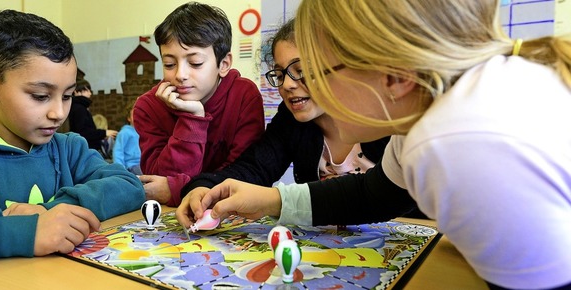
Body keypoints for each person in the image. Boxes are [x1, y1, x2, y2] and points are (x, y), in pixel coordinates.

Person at [182, 1, 571, 289]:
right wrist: (272, 201)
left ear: (393, 75)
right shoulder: (433, 115)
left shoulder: (451, 143)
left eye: (318, 72)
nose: (302, 87)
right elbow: (374, 193)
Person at [0, 9, 145, 267]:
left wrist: (51, 211)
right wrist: (22, 231)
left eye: (67, 96)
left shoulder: (69, 148)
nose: (58, 113)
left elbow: (128, 186)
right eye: (40, 96)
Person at [179, 19, 418, 222]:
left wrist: (273, 201)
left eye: (302, 70)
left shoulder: (408, 128)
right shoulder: (292, 120)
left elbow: (379, 197)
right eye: (280, 73)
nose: (287, 84)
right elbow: (253, 167)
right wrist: (204, 187)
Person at [133, 2, 265, 207]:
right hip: (170, 220)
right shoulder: (148, 107)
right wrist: (192, 119)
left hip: (231, 215)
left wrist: (178, 188)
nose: (180, 75)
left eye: (195, 63)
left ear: (224, 64)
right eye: (169, 64)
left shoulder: (244, 96)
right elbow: (159, 183)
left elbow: (245, 176)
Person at [68, 79, 118, 157]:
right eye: (86, 90)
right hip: (85, 152)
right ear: (76, 92)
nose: (90, 93)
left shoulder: (79, 107)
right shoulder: (79, 109)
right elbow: (83, 132)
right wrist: (104, 133)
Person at [113, 100, 142, 175]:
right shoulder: (125, 132)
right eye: (134, 115)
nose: (137, 117)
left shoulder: (144, 131)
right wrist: (121, 170)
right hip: (132, 165)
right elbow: (118, 151)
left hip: (144, 164)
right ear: (128, 118)